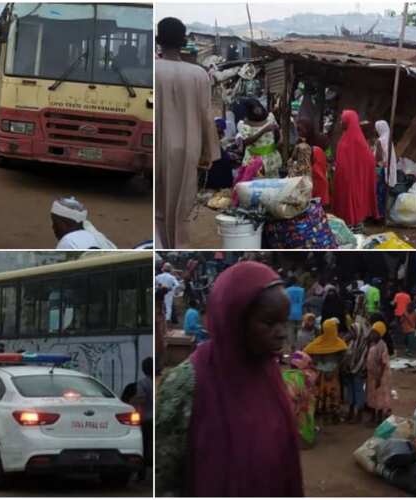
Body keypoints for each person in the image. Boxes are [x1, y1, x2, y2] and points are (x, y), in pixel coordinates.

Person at [154, 261, 303, 497]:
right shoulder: (186, 384)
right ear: (235, 320)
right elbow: (163, 479)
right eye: (269, 322)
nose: (282, 333)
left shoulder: (270, 375)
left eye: (283, 321)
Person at [154, 17, 219, 248]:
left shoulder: (151, 70)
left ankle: (159, 244)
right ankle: (177, 245)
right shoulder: (199, 74)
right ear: (183, 42)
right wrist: (208, 153)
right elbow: (206, 117)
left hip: (157, 147)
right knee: (181, 206)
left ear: (158, 40)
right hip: (188, 149)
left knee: (157, 204)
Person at [332, 109, 378, 231]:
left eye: (343, 120)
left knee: (349, 208)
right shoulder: (358, 139)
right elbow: (370, 161)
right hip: (348, 180)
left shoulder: (351, 140)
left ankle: (352, 228)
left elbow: (370, 161)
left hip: (348, 181)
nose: (341, 123)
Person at [304, 317, 347, 425]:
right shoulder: (339, 343)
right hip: (333, 373)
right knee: (333, 394)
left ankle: (319, 412)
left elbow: (307, 351)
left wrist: (317, 363)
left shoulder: (318, 342)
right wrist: (337, 365)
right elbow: (344, 355)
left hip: (320, 373)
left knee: (319, 393)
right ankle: (333, 414)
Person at [236, 97, 282, 178]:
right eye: (255, 109)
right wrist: (263, 130)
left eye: (258, 107)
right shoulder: (244, 124)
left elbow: (277, 130)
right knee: (257, 184)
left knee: (272, 184)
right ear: (249, 110)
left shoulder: (270, 117)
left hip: (270, 158)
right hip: (254, 160)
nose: (258, 111)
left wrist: (279, 140)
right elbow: (246, 142)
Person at [281, 351, 319, 448]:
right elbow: (311, 391)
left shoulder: (285, 375)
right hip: (304, 407)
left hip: (291, 407)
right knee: (305, 420)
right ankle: (306, 441)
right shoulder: (309, 375)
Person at [50, 196, 117, 249]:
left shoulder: (67, 242)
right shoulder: (100, 238)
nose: (53, 227)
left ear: (66, 224)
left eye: (56, 223)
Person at [365, 321, 391, 425]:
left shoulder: (382, 346)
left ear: (380, 334)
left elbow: (383, 363)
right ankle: (372, 417)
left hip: (380, 375)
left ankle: (379, 418)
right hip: (372, 375)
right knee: (371, 396)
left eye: (374, 333)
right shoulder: (372, 344)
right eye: (371, 332)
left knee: (379, 397)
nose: (371, 335)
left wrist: (379, 378)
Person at [375, 120, 397, 210]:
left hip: (383, 169)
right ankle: (383, 213)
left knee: (379, 192)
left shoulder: (380, 140)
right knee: (385, 192)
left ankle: (379, 214)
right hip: (389, 168)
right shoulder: (389, 139)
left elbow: (378, 157)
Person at [138, 357, 155, 468]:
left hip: (145, 419)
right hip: (155, 418)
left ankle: (142, 474)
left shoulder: (142, 383)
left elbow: (141, 401)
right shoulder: (160, 380)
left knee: (144, 446)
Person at [286, 278, 305, 345]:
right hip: (299, 311)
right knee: (299, 329)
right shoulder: (302, 290)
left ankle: (292, 344)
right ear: (297, 282)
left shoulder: (287, 290)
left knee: (290, 329)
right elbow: (303, 302)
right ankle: (298, 344)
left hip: (289, 312)